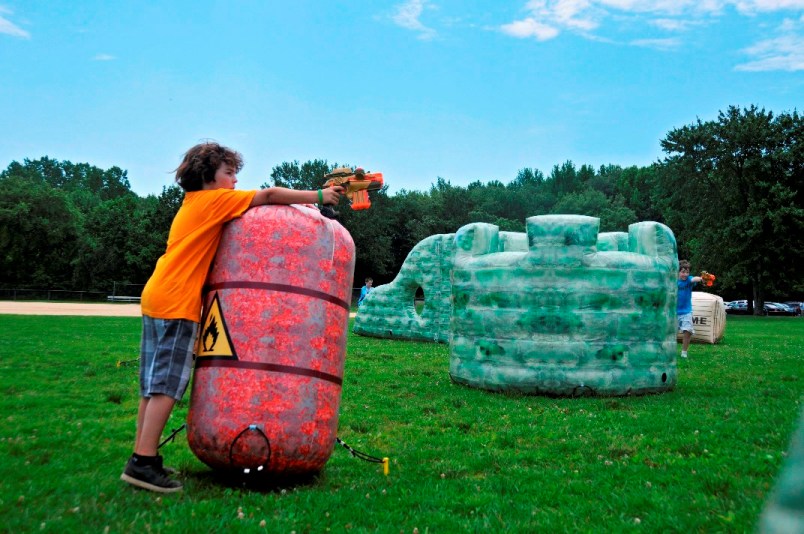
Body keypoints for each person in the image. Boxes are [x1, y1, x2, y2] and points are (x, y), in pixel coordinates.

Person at [120, 141, 343, 493]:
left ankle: (142, 456)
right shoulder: (214, 200)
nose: (236, 180)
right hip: (177, 300)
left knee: (152, 385)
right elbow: (268, 196)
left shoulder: (195, 203)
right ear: (208, 176)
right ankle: (143, 463)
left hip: (158, 294)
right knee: (166, 385)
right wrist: (319, 195)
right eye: (229, 173)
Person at [677, 259, 703, 359]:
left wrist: (701, 278)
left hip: (686, 311)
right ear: (678, 272)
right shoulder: (673, 282)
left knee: (687, 331)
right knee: (670, 333)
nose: (685, 274)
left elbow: (694, 279)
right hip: (673, 312)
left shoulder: (689, 281)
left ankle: (684, 352)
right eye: (683, 272)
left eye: (687, 272)